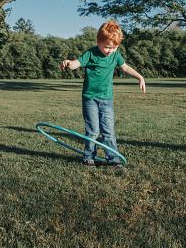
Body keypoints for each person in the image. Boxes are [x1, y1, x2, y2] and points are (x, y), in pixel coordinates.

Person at [61, 20, 146, 169]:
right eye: (107, 46)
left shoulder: (115, 55)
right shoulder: (91, 53)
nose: (110, 51)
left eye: (114, 47)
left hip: (107, 99)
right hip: (90, 99)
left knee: (108, 130)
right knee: (92, 130)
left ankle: (113, 159)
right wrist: (69, 63)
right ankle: (89, 158)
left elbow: (125, 67)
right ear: (99, 41)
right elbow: (76, 64)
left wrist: (140, 77)